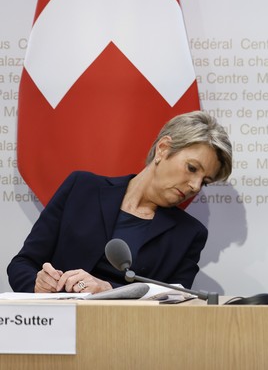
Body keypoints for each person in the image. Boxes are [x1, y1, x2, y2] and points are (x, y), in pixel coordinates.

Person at [7, 110, 233, 294]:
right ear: (163, 149)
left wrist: (108, 290)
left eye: (205, 181)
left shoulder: (189, 234)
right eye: (192, 168)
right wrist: (37, 284)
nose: (194, 185)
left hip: (127, 337)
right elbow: (22, 264)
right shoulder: (81, 188)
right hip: (57, 328)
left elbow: (175, 299)